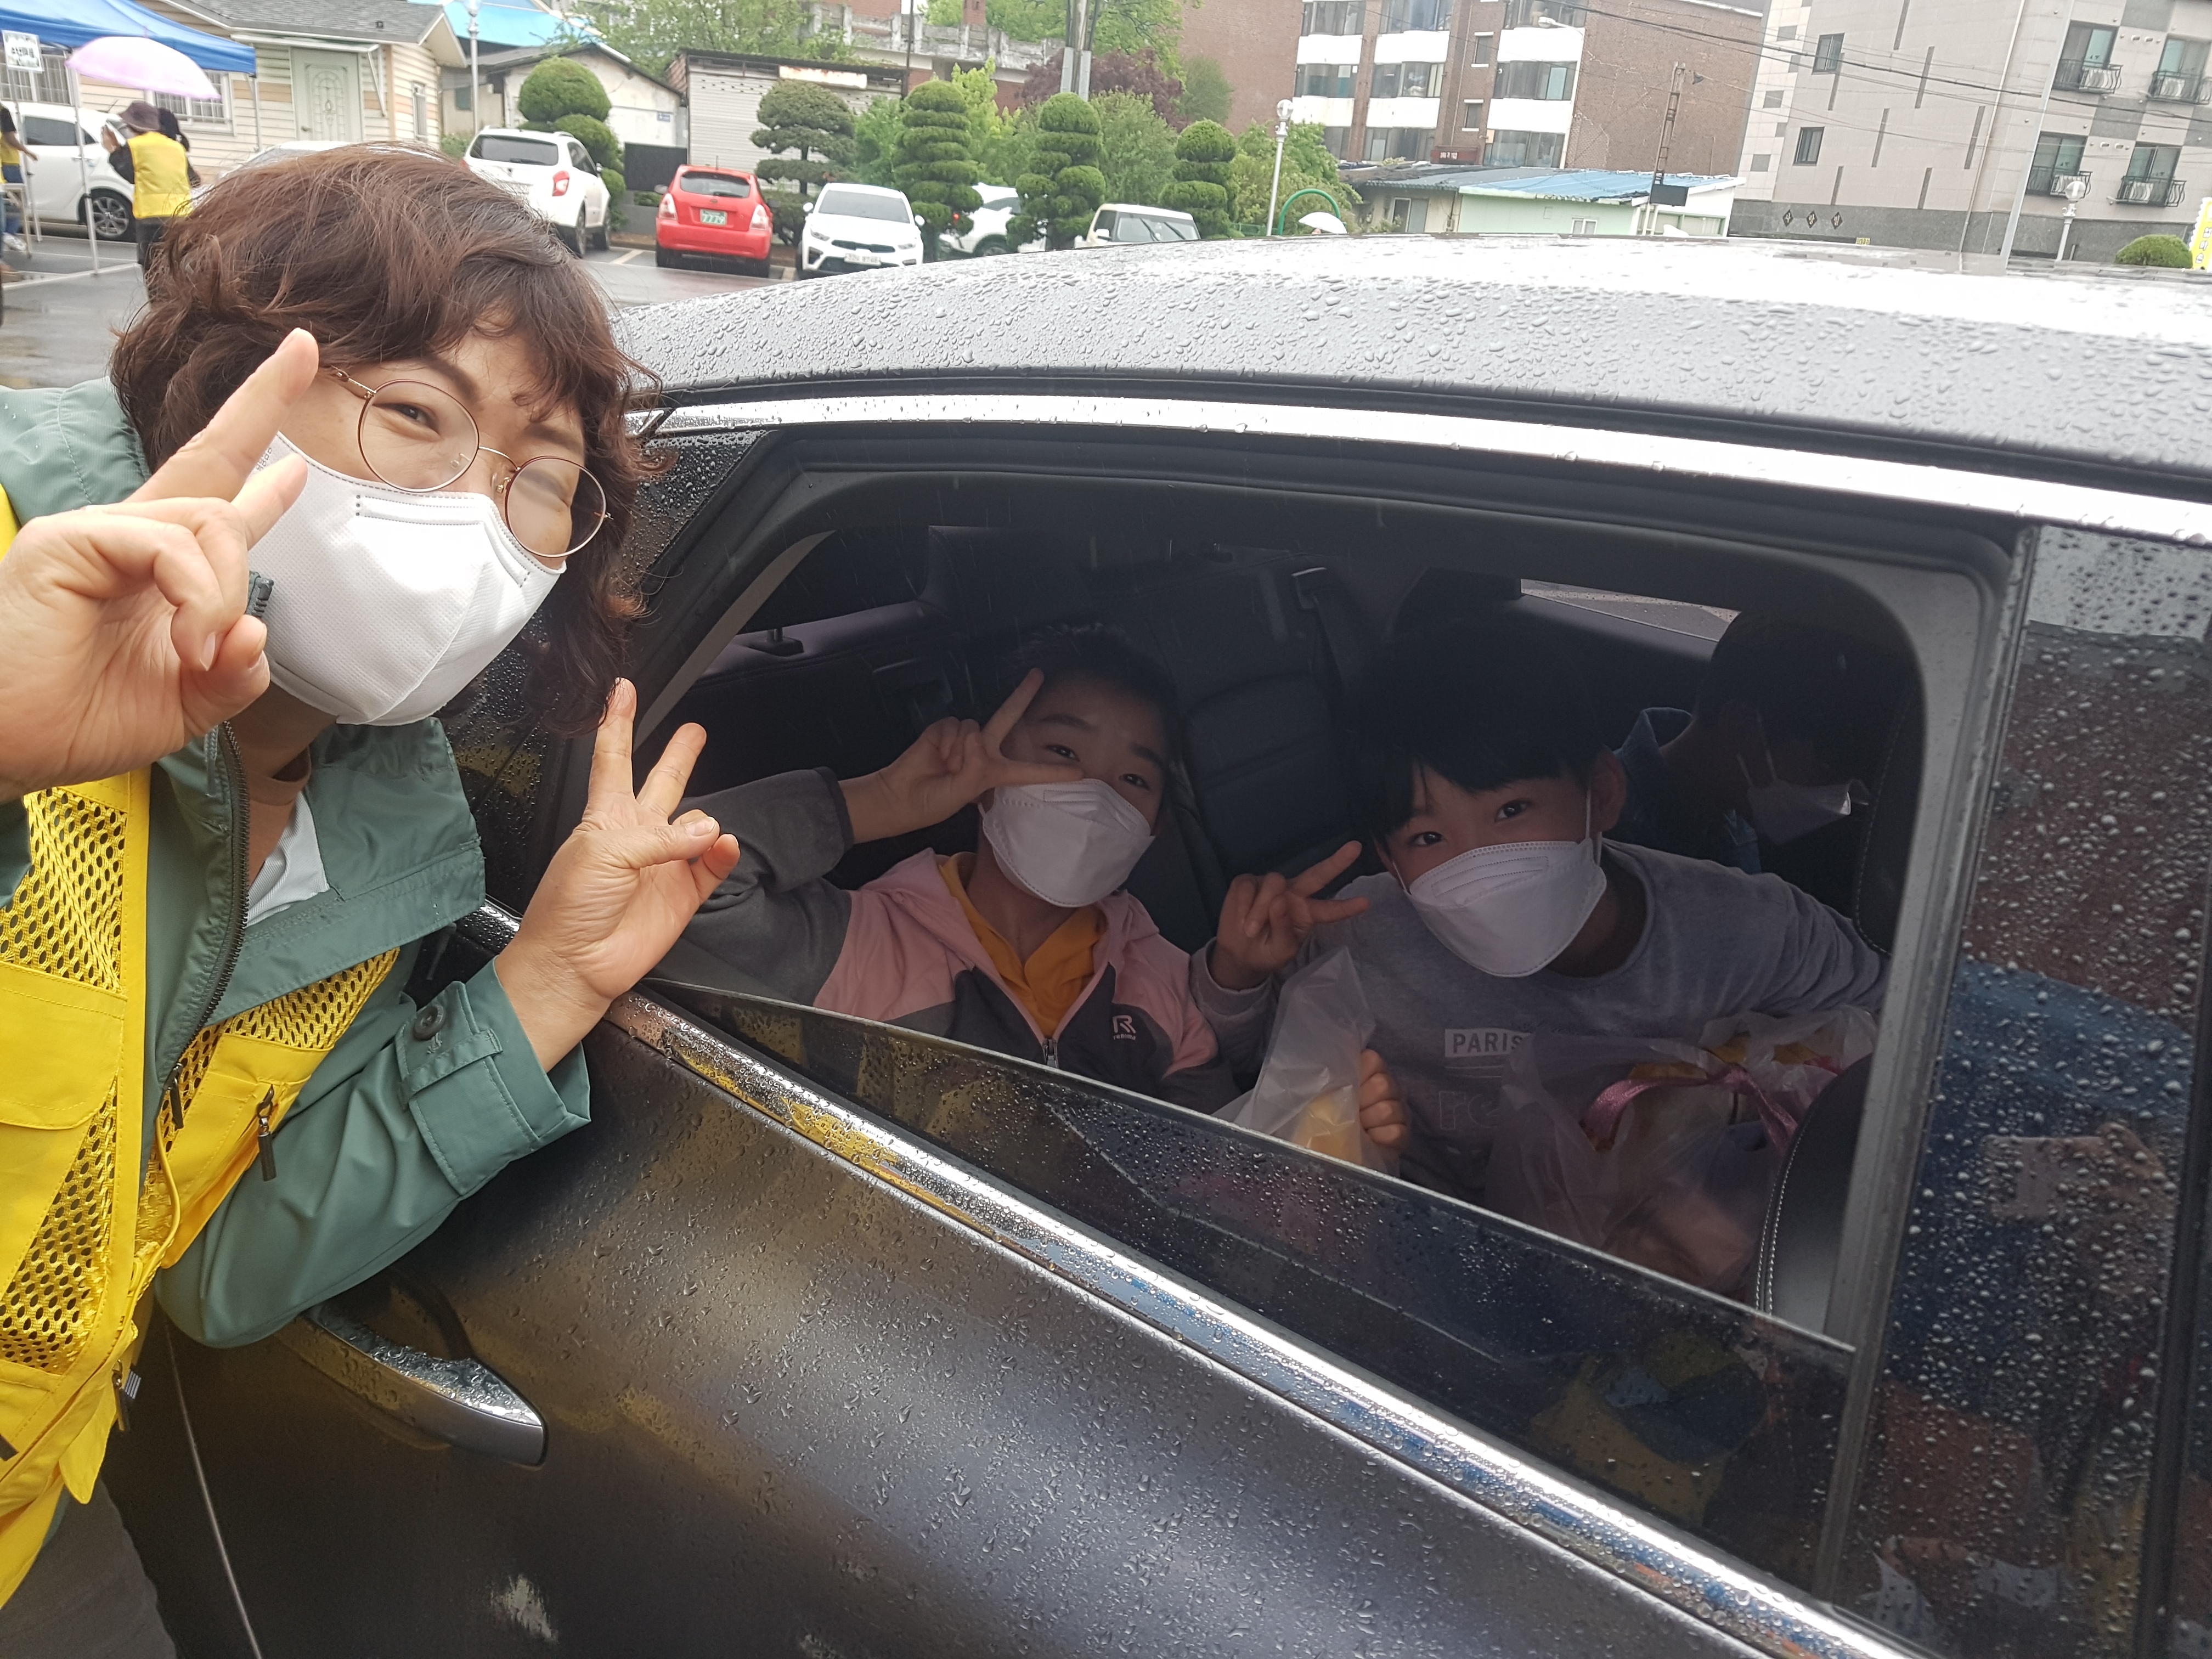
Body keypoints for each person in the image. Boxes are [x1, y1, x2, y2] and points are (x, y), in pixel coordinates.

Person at [0, 147, 740, 1651]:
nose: (476, 523)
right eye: (416, 415)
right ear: (222, 385)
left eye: (541, 482)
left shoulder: (389, 846)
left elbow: (215, 1272)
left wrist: (544, 985)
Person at [1192, 613, 1887, 1203]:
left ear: (1602, 795)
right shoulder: (1359, 934)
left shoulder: (1740, 930)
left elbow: (1897, 1022)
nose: (1482, 866)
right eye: (1429, 838)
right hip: (1435, 1248)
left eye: (1512, 811)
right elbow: (1249, 1067)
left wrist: (1734, 1086)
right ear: (1390, 860)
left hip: (1647, 1252)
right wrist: (1240, 973)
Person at [681, 625, 1408, 1144]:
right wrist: (881, 800)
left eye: (1134, 779)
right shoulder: (863, 943)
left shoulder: (1161, 984)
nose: (1094, 793)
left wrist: (1330, 1125)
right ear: (985, 772)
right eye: (1063, 752)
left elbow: (1208, 1170)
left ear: (1154, 828)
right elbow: (677, 875)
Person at [1610, 613, 1908, 912]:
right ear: (1743, 730)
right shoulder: (1610, 837)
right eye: (1830, 767)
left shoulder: (1733, 803)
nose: (1843, 791)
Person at [99, 101, 195, 267]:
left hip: (152, 217)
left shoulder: (135, 146)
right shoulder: (176, 147)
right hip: (181, 215)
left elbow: (130, 175)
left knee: (153, 267)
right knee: (176, 265)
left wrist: (113, 150)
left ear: (131, 125)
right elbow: (192, 179)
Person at [0, 106, 26, 255]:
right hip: (9, 162)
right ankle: (9, 233)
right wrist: (27, 151)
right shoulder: (3, 111)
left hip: (5, 162)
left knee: (10, 200)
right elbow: (10, 138)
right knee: (17, 200)